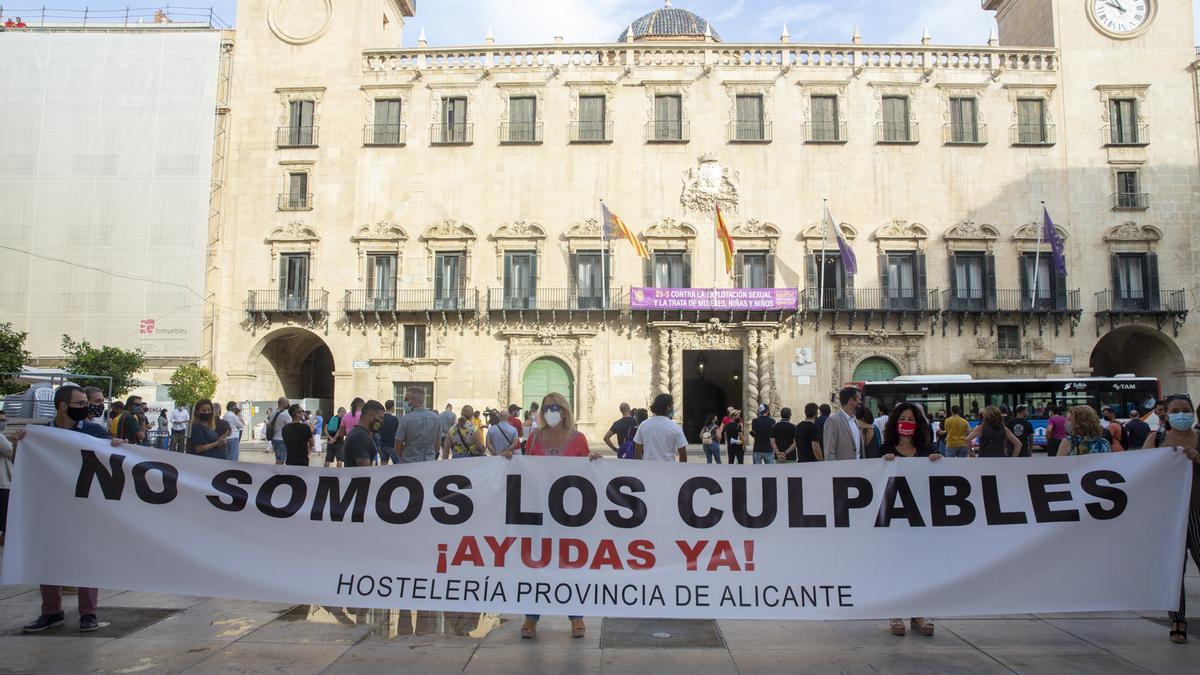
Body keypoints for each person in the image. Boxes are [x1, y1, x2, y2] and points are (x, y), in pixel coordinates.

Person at [22, 385, 121, 634]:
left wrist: (118, 445)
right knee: (48, 558)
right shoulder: (40, 435)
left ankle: (88, 613)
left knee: (86, 559)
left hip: (85, 508)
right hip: (50, 507)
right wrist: (18, 446)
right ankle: (51, 611)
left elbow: (113, 453)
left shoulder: (93, 431)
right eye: (80, 403)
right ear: (63, 405)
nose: (86, 408)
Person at [502, 392, 600, 640]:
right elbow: (525, 466)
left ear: (565, 410)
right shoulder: (535, 437)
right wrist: (510, 460)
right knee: (536, 564)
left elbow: (587, 472)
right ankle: (531, 617)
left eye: (554, 407)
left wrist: (595, 462)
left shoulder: (579, 439)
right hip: (538, 511)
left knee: (571, 564)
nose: (549, 411)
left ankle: (576, 617)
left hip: (569, 514)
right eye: (546, 408)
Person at [877, 402, 941, 636]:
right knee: (895, 565)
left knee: (920, 566)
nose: (908, 423)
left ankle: (918, 614)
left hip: (921, 516)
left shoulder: (928, 450)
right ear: (895, 422)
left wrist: (936, 461)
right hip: (894, 519)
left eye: (912, 419)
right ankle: (895, 614)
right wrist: (882, 464)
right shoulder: (884, 449)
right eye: (904, 418)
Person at [1141, 394, 1200, 643]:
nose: (1181, 414)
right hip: (1168, 511)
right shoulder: (1156, 438)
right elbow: (1140, 469)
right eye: (1175, 410)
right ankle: (1177, 619)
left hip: (1196, 509)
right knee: (1174, 568)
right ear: (1166, 413)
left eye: (1185, 410)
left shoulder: (1199, 437)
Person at [394, 388, 444, 464]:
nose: (405, 402)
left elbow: (398, 446)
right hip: (429, 462)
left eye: (406, 399)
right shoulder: (436, 418)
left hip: (408, 463)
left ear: (414, 400)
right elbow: (437, 444)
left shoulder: (405, 420)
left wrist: (404, 458)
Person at [634, 393, 688, 462]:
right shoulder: (675, 427)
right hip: (668, 470)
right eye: (672, 405)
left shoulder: (643, 425)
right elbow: (683, 456)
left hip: (647, 469)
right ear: (668, 408)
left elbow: (637, 452)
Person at [823, 387, 863, 461]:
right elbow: (829, 454)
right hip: (842, 471)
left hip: (859, 469)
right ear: (851, 401)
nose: (860, 402)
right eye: (859, 399)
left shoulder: (855, 421)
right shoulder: (833, 421)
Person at [344, 400, 385, 468]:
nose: (381, 421)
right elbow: (364, 467)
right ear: (370, 415)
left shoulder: (360, 433)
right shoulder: (360, 436)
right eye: (380, 418)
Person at [0, 411, 14, 546]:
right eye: (1, 420)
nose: (3, 423)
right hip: (3, 483)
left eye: (5, 420)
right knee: (5, 515)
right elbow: (11, 451)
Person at [267, 397, 291, 465]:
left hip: (274, 438)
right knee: (281, 460)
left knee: (278, 459)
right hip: (282, 439)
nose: (288, 404)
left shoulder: (273, 412)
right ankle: (278, 474)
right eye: (287, 403)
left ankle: (277, 473)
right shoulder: (286, 414)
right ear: (284, 404)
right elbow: (291, 425)